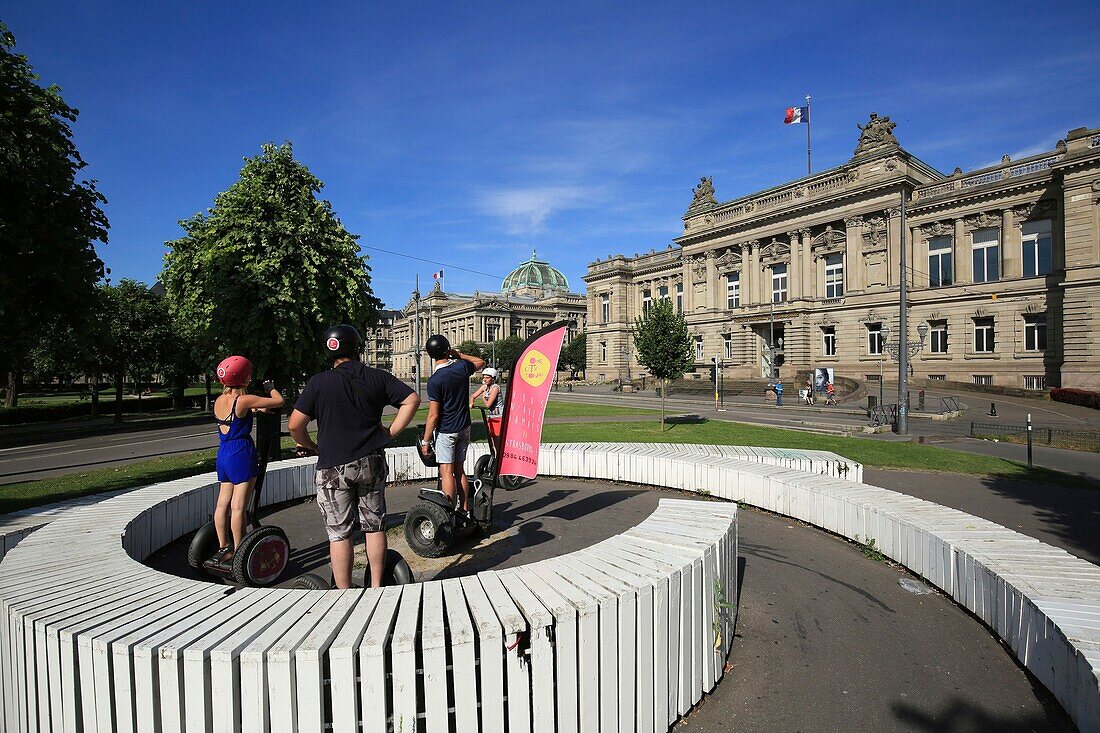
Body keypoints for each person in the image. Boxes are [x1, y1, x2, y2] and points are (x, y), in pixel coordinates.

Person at [288, 325, 420, 588]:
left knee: (340, 534)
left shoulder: (318, 383)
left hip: (333, 467)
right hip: (371, 460)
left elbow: (294, 425)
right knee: (374, 526)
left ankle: (344, 592)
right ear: (358, 347)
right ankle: (376, 587)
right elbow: (412, 400)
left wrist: (312, 446)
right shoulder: (377, 377)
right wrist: (391, 432)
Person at [206, 355, 285, 570]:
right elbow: (279, 401)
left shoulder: (220, 401)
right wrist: (270, 388)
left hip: (224, 452)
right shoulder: (245, 399)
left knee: (222, 504)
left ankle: (224, 546)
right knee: (239, 506)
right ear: (245, 377)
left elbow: (235, 414)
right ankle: (240, 549)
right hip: (241, 452)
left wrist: (255, 410)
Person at [421, 334, 486, 523]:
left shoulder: (435, 380)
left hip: (447, 430)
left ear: (430, 355)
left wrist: (426, 440)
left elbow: (433, 415)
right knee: (460, 470)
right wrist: (459, 354)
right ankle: (465, 509)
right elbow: (480, 362)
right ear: (448, 349)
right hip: (464, 427)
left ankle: (448, 515)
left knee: (446, 472)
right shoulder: (461, 367)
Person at [469, 367, 503, 439]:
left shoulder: (495, 388)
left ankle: (498, 450)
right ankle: (494, 450)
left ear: (493, 378)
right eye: (484, 377)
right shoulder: (484, 387)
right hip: (491, 415)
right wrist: (472, 403)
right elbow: (472, 396)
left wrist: (483, 396)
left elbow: (488, 405)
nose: (484, 379)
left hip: (499, 416)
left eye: (487, 378)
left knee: (497, 437)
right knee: (492, 437)